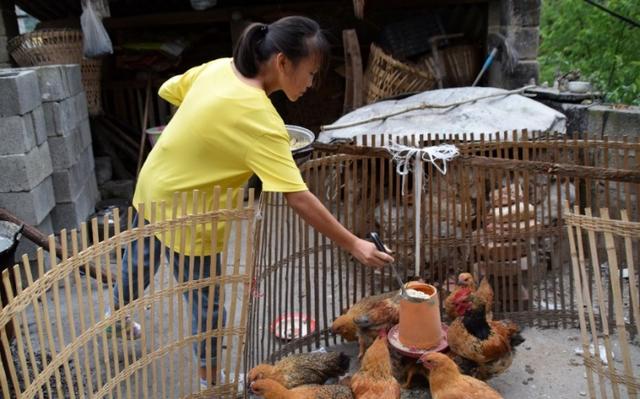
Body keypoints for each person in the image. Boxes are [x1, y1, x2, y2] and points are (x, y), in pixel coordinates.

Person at [106, 15, 394, 390]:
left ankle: (115, 318)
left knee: (139, 263)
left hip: (154, 184)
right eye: (310, 73)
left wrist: (205, 134)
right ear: (282, 63)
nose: (311, 84)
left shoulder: (218, 68)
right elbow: (297, 196)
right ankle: (212, 381)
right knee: (207, 304)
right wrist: (353, 243)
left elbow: (169, 90)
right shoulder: (261, 121)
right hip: (191, 211)